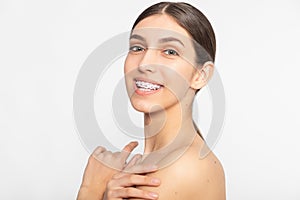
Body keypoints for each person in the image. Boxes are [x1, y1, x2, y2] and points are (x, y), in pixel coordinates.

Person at [77, 2, 225, 200]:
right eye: (137, 48)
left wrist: (90, 189)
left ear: (200, 75)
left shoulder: (179, 168)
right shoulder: (159, 162)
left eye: (170, 51)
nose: (145, 63)